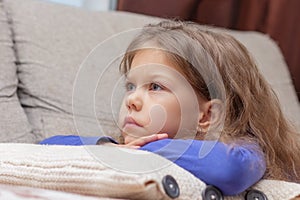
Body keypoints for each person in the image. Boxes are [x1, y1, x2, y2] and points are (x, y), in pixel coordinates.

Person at [40, 20, 300, 195]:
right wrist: (109, 148)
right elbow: (45, 147)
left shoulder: (247, 150)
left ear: (207, 115)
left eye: (155, 87)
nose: (131, 100)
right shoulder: (119, 147)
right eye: (131, 86)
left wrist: (145, 149)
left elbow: (229, 169)